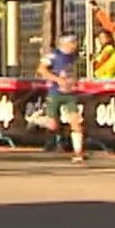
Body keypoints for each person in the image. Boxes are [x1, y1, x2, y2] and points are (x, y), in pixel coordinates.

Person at [37, 35, 85, 163]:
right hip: (55, 93)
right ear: (66, 44)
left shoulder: (76, 58)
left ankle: (78, 152)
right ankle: (39, 120)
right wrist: (57, 79)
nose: (75, 46)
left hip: (70, 94)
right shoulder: (53, 55)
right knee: (52, 124)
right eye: (73, 43)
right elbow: (41, 70)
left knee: (76, 122)